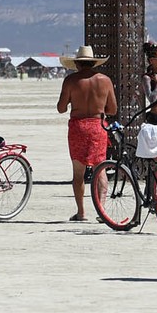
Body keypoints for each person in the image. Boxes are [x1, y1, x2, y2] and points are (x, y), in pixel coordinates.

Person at [55, 46, 117, 222]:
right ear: (93, 62)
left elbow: (61, 108)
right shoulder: (105, 80)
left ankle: (81, 212)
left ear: (76, 63)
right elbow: (112, 109)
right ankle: (102, 210)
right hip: (98, 126)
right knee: (100, 169)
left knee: (78, 173)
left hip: (78, 127)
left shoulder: (71, 80)